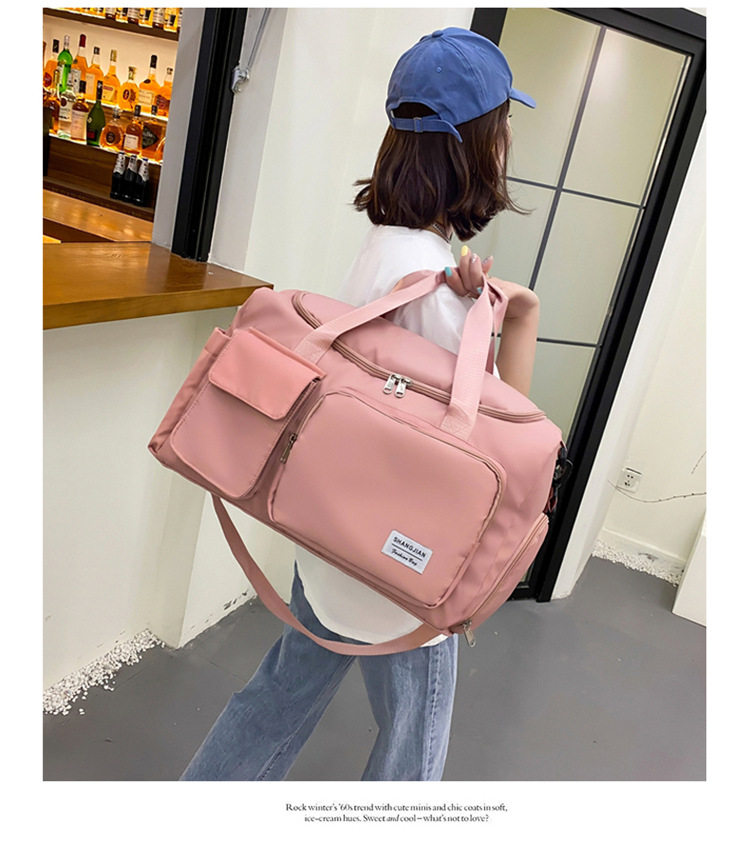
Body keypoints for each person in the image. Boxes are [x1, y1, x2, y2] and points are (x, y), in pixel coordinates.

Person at [180, 26, 541, 782]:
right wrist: (519, 317)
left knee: (274, 702)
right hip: (403, 575)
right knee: (413, 755)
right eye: (502, 124)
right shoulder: (440, 286)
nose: (507, 142)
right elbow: (507, 450)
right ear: (475, 144)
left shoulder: (386, 248)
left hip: (331, 541)